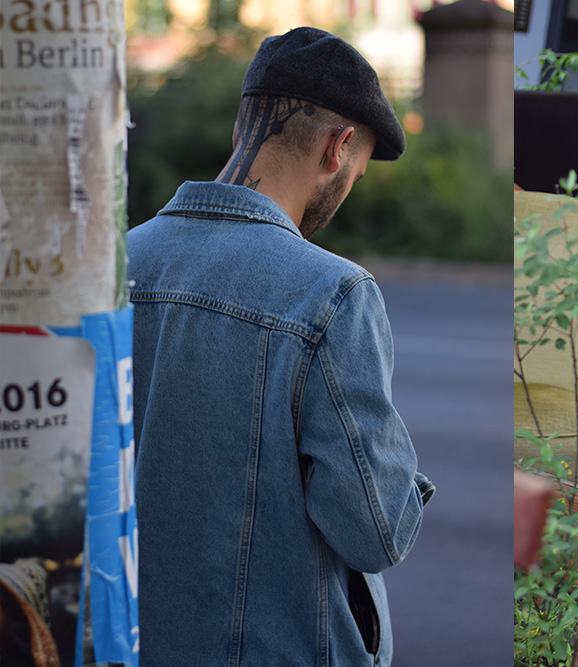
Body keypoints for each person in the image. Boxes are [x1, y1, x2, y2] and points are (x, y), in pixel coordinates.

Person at [127, 28, 434, 666]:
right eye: (359, 164)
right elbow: (377, 531)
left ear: (244, 124)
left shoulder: (114, 263)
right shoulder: (331, 295)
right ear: (339, 146)